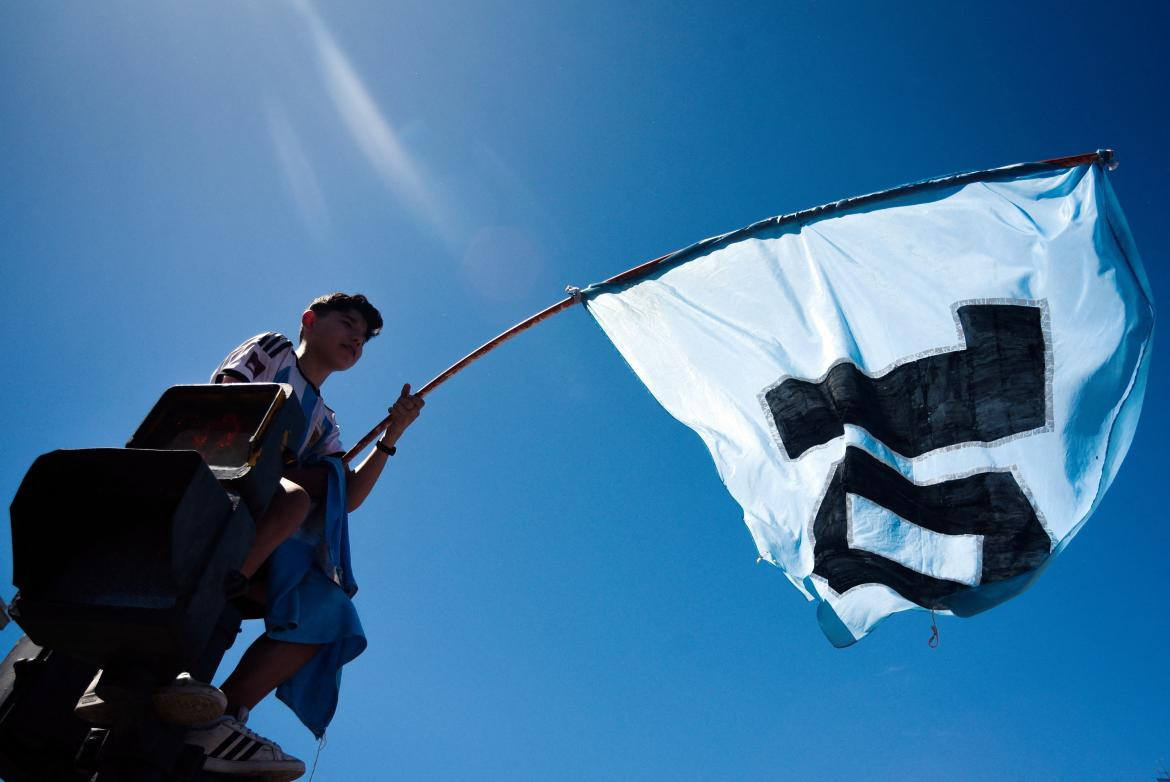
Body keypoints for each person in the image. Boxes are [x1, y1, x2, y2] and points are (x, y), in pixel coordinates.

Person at [181, 292, 424, 778]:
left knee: (332, 613)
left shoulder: (326, 422)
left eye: (365, 338)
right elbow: (228, 397)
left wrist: (390, 437)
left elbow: (347, 494)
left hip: (267, 527)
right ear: (309, 321)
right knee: (295, 499)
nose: (357, 338)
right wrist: (293, 468)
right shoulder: (273, 351)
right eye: (348, 323)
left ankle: (217, 716)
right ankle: (224, 583)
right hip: (216, 485)